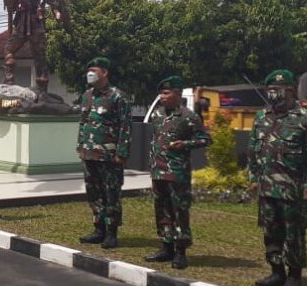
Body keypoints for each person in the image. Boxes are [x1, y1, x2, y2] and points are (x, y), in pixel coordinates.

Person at [247, 69, 307, 286]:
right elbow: (252, 150)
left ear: (290, 91)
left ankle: (294, 275)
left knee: (294, 234)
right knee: (271, 231)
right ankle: (276, 270)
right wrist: (253, 178)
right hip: (266, 188)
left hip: (293, 190)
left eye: (278, 90)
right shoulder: (262, 117)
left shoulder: (305, 119)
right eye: (270, 90)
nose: (273, 94)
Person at [144, 75, 210, 270]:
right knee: (162, 210)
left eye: (166, 93)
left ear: (178, 93)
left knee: (179, 211)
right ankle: (166, 247)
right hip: (158, 170)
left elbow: (205, 139)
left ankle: (180, 251)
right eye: (161, 93)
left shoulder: (189, 117)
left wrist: (185, 144)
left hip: (177, 173)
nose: (162, 96)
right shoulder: (157, 114)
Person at [76, 57, 131, 249]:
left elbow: (126, 126)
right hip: (89, 153)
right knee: (94, 192)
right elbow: (83, 122)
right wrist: (80, 146)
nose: (89, 73)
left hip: (109, 155)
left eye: (93, 69)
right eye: (88, 70)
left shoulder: (118, 96)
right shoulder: (87, 95)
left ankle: (111, 232)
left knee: (111, 193)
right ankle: (98, 229)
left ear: (104, 72)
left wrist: (122, 152)